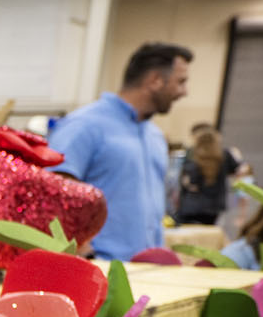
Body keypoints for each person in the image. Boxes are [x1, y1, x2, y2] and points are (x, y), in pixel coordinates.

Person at [49, 42, 190, 259]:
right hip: (101, 264)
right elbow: (53, 193)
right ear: (155, 80)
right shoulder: (84, 125)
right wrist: (83, 254)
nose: (184, 92)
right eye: (180, 82)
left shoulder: (154, 135)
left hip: (146, 267)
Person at [173, 125, 242, 226]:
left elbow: (188, 181)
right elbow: (237, 169)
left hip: (191, 206)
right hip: (214, 207)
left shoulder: (192, 154)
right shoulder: (225, 155)